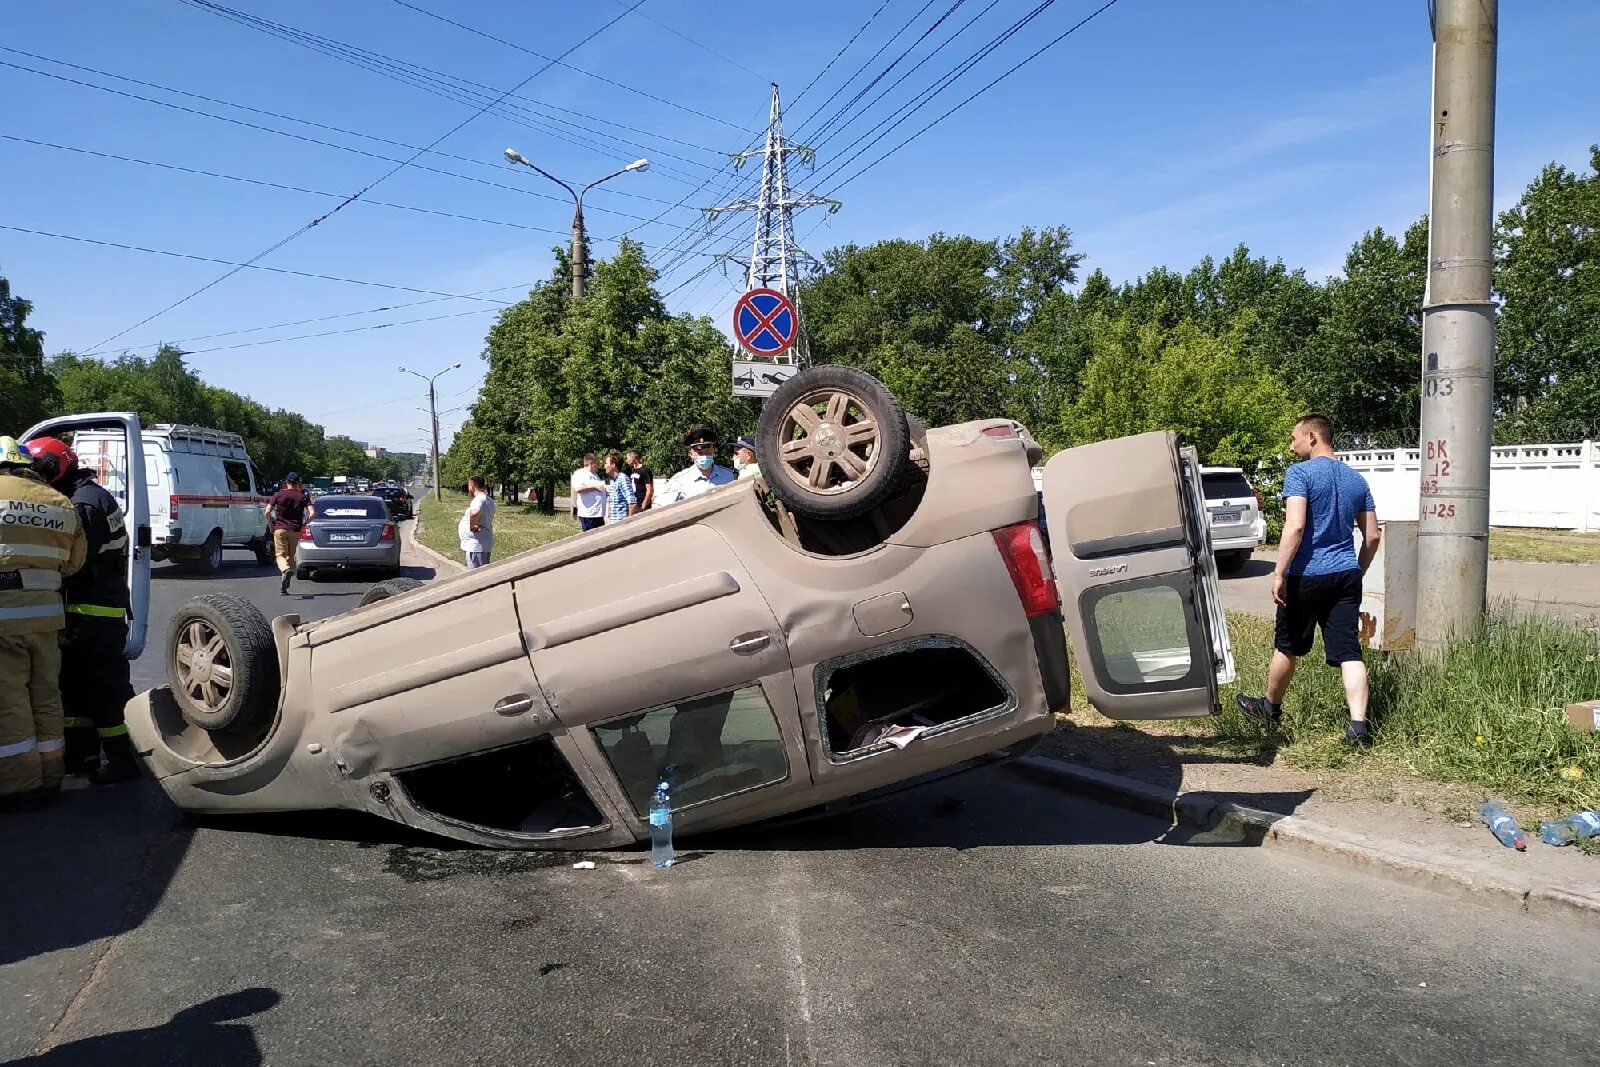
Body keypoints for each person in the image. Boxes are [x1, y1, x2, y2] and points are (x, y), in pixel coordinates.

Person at [1236, 413, 1382, 746]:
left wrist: (1279, 572)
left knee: (1288, 646)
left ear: (1312, 436)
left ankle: (1269, 708)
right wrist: (1356, 570)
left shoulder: (1300, 474)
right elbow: (1372, 536)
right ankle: (1359, 728)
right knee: (1349, 651)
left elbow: (1296, 526)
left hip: (1306, 575)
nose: (1291, 446)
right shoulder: (1357, 481)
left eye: (1294, 438)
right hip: (1345, 575)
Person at [26, 436, 139, 784]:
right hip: (89, 612)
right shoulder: (89, 495)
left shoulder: (84, 505)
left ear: (52, 467)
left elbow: (74, 562)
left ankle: (125, 761)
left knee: (105, 690)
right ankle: (81, 754)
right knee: (73, 687)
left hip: (93, 615)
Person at [0, 435, 87, 812]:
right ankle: (52, 774)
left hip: (3, 619)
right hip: (47, 617)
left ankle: (21, 784)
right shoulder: (60, 502)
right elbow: (73, 563)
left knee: (10, 700)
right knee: (46, 694)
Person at [658, 427, 736, 505]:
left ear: (714, 451)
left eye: (707, 452)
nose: (704, 456)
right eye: (700, 453)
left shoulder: (727, 475)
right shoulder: (680, 480)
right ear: (691, 454)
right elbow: (660, 507)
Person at [267, 472, 313, 596]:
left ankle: (285, 570)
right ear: (298, 483)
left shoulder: (278, 494)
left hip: (280, 529)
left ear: (286, 482)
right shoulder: (303, 497)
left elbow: (267, 511)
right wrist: (304, 524)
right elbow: (313, 513)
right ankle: (284, 586)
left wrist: (271, 525)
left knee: (280, 556)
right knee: (290, 557)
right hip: (295, 530)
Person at [458, 475, 496, 568]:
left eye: (468, 485)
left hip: (476, 547)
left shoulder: (478, 499)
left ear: (473, 485)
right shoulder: (489, 500)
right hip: (482, 545)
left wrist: (472, 526)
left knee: (476, 578)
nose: (468, 488)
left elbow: (475, 512)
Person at [570, 454, 608, 532]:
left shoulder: (595, 475)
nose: (598, 465)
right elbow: (578, 488)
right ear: (591, 463)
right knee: (590, 538)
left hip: (599, 514)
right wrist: (594, 487)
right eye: (596, 463)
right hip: (589, 514)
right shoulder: (580, 473)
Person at [602, 452, 637, 524]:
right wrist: (606, 518)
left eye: (606, 463)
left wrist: (629, 523)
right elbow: (609, 501)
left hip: (622, 525)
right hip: (612, 524)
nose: (604, 466)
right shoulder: (611, 480)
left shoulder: (622, 479)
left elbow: (632, 504)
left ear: (613, 465)